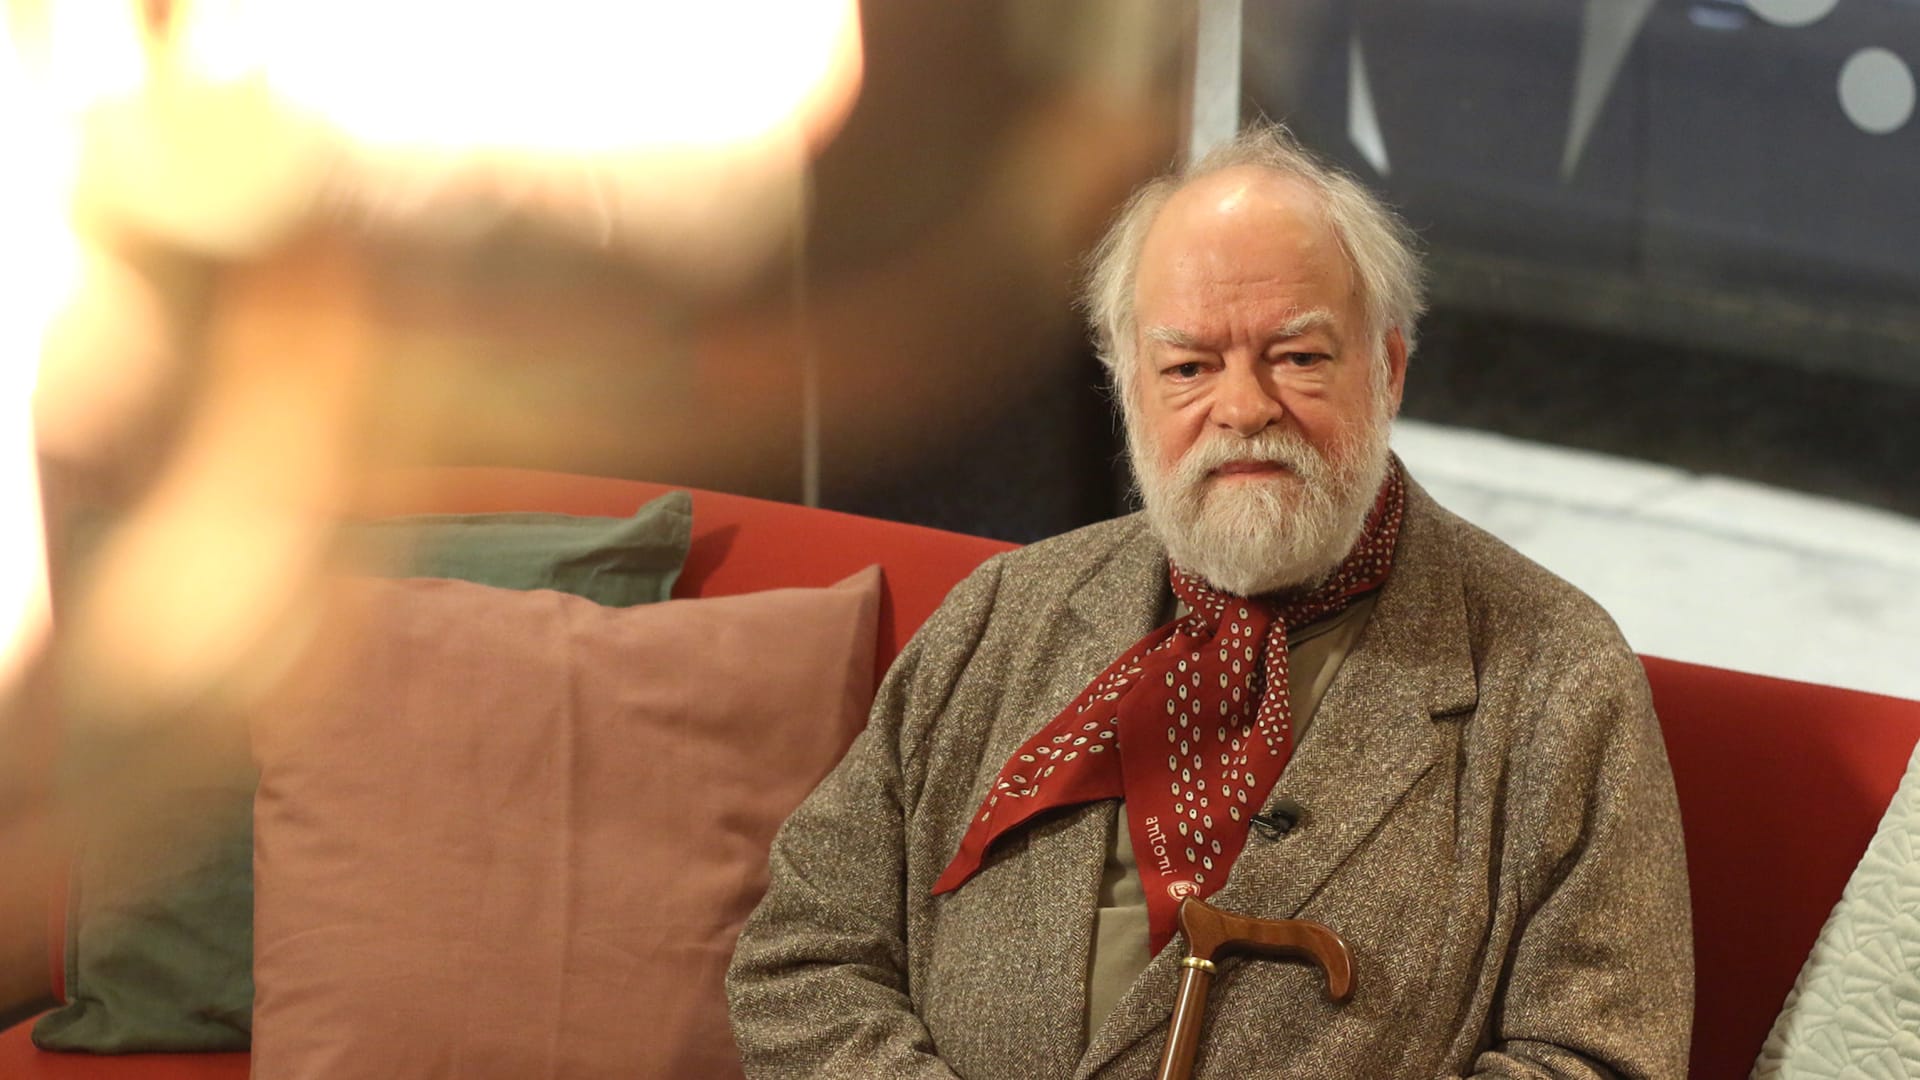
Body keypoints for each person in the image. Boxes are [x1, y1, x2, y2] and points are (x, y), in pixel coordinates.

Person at [726, 123, 1692, 1079]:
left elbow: (1597, 1061)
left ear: (1388, 369)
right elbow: (803, 958)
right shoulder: (1002, 616)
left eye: (1298, 357)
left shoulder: (1558, 675)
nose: (1243, 408)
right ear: (1128, 388)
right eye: (1188, 367)